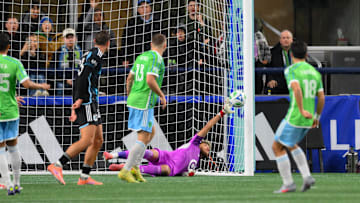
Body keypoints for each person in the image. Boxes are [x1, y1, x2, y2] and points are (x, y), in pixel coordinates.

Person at [103, 99, 236, 176]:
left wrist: (189, 173)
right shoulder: (195, 143)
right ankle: (113, 155)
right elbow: (207, 126)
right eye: (206, 144)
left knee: (165, 170)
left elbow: (184, 171)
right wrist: (222, 113)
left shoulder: (197, 162)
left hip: (171, 167)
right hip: (168, 156)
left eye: (209, 148)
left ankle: (122, 167)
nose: (208, 147)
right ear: (201, 143)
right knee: (150, 153)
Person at [47, 31, 111, 186]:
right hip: (87, 101)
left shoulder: (91, 53)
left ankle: (84, 176)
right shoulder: (95, 56)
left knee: (98, 140)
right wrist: (80, 99)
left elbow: (81, 76)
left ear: (94, 40)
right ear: (108, 43)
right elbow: (82, 78)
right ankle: (57, 165)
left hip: (91, 100)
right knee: (87, 139)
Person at [0, 32, 50, 195]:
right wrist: (41, 86)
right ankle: (16, 182)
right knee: (13, 146)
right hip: (11, 110)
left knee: (0, 148)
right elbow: (27, 84)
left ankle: (6, 183)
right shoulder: (15, 62)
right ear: (9, 46)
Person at [272, 41, 325, 193]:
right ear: (307, 55)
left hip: (296, 116)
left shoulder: (291, 70)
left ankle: (288, 183)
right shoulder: (315, 72)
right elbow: (321, 97)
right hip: (309, 119)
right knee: (290, 144)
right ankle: (307, 176)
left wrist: (301, 110)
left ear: (291, 54)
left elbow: (297, 90)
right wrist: (317, 116)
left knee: (276, 146)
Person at [118, 33, 167, 183]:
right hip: (144, 101)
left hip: (134, 98)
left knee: (150, 132)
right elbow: (150, 80)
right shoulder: (157, 58)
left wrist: (130, 94)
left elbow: (129, 78)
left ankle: (136, 168)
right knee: (143, 137)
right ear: (165, 46)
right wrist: (162, 95)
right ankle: (126, 170)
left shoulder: (141, 56)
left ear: (151, 45)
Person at [119, 0, 165, 68]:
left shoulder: (158, 22)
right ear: (138, 9)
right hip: (136, 58)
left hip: (154, 59)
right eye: (142, 7)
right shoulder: (131, 23)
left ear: (150, 8)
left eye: (146, 7)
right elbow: (125, 42)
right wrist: (125, 59)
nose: (144, 10)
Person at [180, 0, 212, 67]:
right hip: (187, 51)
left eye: (195, 5)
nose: (192, 8)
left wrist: (201, 22)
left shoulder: (205, 21)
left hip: (201, 50)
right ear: (187, 7)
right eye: (191, 5)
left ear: (198, 7)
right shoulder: (183, 21)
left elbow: (209, 37)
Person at [55, 28, 82, 96]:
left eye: (72, 37)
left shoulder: (81, 52)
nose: (70, 40)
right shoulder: (58, 52)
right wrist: (65, 80)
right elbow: (55, 69)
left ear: (75, 38)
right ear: (63, 39)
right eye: (68, 37)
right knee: (60, 86)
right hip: (62, 80)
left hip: (77, 80)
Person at [266, 30, 293, 95]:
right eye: (283, 38)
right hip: (279, 81)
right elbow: (268, 67)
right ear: (280, 40)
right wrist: (271, 79)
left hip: (294, 80)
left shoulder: (297, 52)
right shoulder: (273, 52)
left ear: (292, 40)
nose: (286, 40)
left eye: (288, 38)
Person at [254, 18, 271, 94]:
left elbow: (266, 49)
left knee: (259, 82)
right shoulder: (240, 35)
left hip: (258, 62)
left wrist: (266, 60)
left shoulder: (259, 35)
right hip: (246, 64)